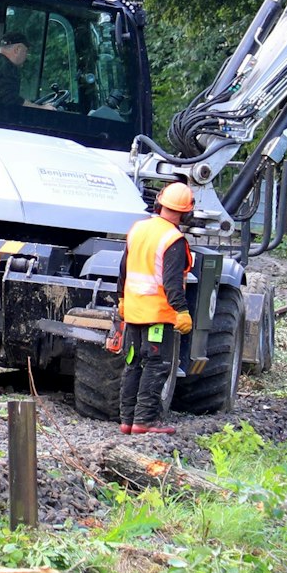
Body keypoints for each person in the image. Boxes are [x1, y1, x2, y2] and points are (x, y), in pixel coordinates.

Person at [117, 181, 196, 435]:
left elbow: (123, 270)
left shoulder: (138, 229)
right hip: (157, 316)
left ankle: (127, 421)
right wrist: (181, 310)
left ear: (160, 203)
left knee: (132, 363)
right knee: (155, 365)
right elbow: (172, 281)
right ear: (186, 212)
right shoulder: (173, 238)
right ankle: (143, 422)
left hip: (132, 311)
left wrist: (121, 299)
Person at [0, 30, 30, 106]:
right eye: (26, 51)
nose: (26, 56)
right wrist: (42, 108)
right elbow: (11, 101)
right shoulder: (7, 68)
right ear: (17, 49)